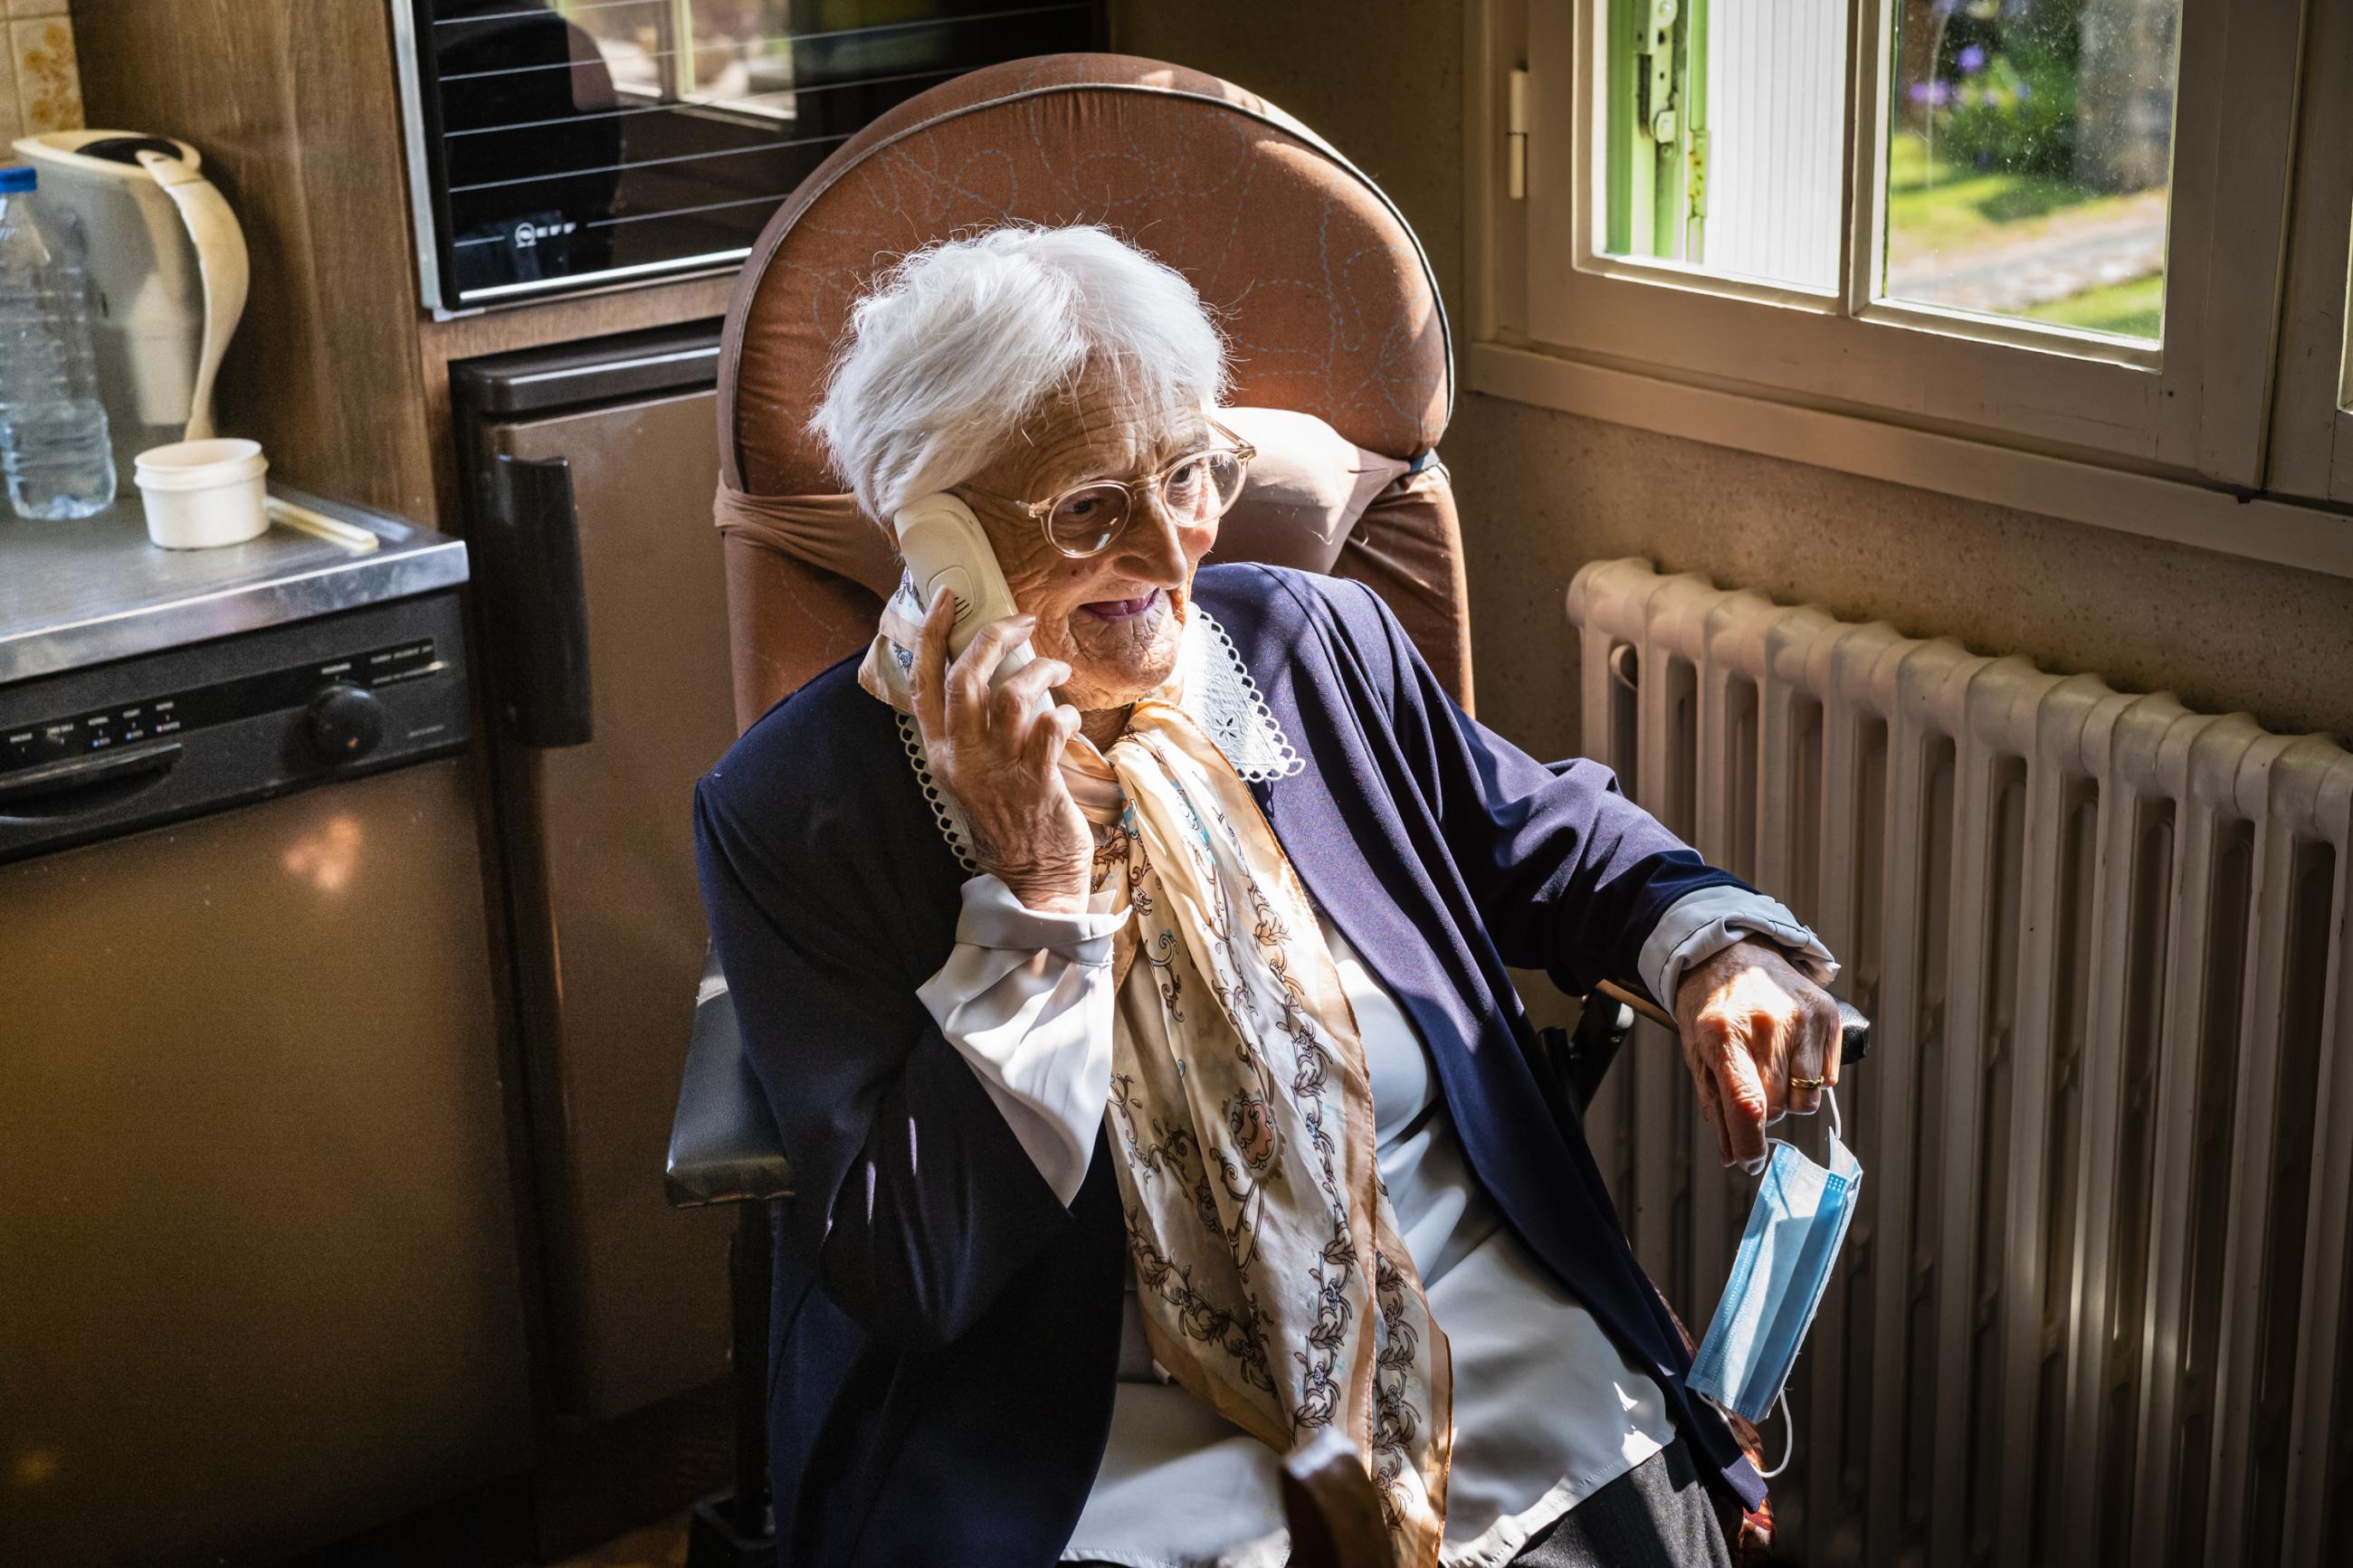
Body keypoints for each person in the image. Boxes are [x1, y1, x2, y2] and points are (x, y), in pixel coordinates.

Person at [693, 224, 1843, 1568]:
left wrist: (1716, 952)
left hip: (1464, 1335)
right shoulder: (797, 807)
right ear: (938, 535)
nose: (1171, 546)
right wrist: (1042, 892)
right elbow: (913, 1263)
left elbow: (1543, 830)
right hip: (1084, 1433)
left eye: (1187, 473)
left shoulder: (1309, 645)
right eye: (1087, 507)